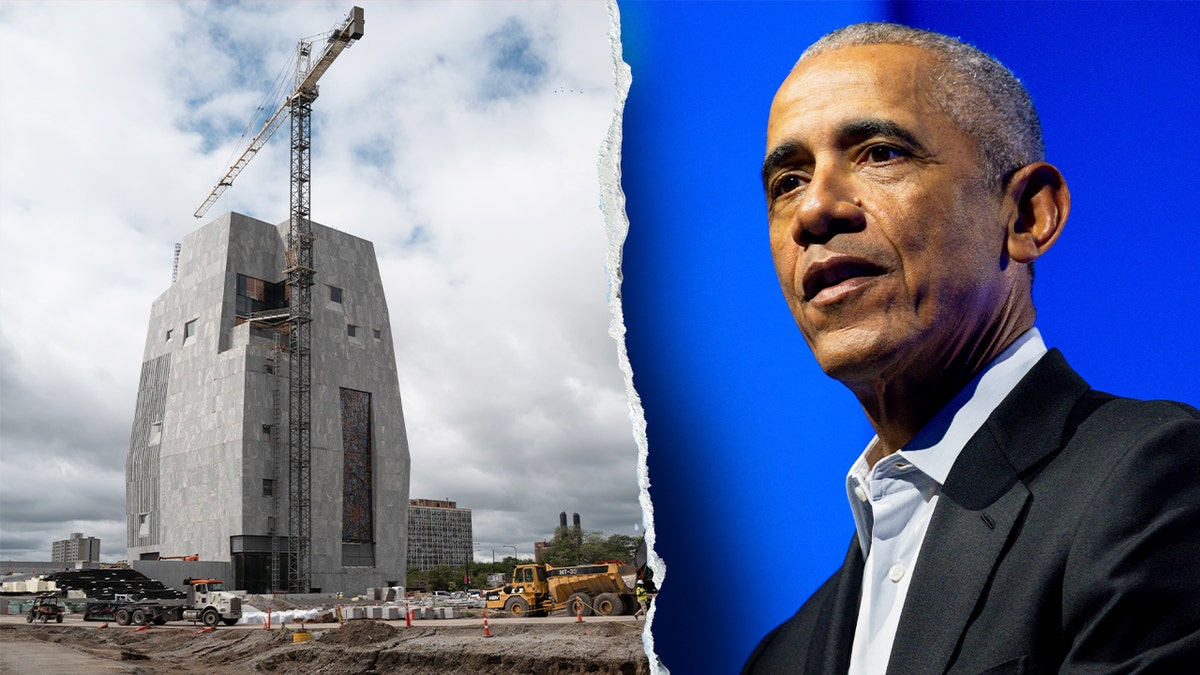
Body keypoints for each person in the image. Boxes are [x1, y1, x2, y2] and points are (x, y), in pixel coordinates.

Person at [742, 22, 1200, 674]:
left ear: (1026, 216)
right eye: (787, 180)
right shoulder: (778, 657)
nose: (814, 208)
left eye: (879, 153)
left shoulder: (1155, 482)